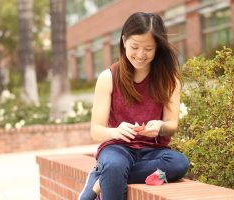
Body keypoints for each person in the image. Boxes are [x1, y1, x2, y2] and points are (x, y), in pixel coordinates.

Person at [79, 12, 189, 200]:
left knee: (179, 163)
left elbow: (172, 124)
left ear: (158, 48)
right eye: (134, 46)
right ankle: (109, 172)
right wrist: (115, 132)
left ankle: (101, 177)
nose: (140, 55)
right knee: (115, 165)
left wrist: (160, 127)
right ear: (123, 41)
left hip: (152, 152)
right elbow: (96, 130)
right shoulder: (108, 77)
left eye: (148, 48)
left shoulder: (170, 80)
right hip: (117, 148)